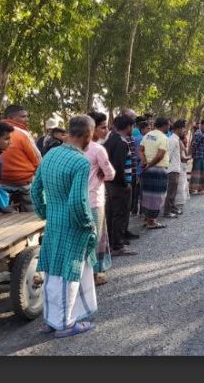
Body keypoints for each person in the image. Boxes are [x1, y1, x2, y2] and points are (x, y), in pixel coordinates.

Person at [31, 115, 98, 338]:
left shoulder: (51, 154)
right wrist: (89, 224)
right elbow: (78, 202)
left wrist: (46, 213)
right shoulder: (80, 162)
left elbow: (35, 189)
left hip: (54, 221)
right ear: (88, 135)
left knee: (52, 271)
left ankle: (51, 321)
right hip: (73, 225)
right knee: (71, 271)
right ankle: (66, 324)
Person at [86, 112, 116, 286]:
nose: (106, 130)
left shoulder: (69, 148)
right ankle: (96, 273)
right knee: (97, 237)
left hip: (75, 200)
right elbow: (110, 174)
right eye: (103, 127)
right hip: (94, 200)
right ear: (92, 129)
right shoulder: (98, 149)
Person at [103, 114, 139, 256]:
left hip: (110, 183)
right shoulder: (121, 143)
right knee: (120, 214)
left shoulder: (110, 140)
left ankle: (112, 243)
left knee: (112, 213)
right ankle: (117, 245)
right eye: (132, 126)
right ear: (128, 126)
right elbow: (118, 165)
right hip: (119, 185)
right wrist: (125, 183)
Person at [0, 104, 41, 212]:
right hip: (23, 181)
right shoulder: (22, 133)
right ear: (11, 118)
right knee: (35, 212)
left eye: (27, 116)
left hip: (0, 180)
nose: (26, 119)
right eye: (23, 117)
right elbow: (37, 158)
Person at [139, 117, 170, 229]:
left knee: (147, 195)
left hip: (147, 170)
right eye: (168, 125)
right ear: (164, 125)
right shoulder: (164, 138)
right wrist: (150, 164)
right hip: (158, 170)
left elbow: (140, 150)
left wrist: (144, 162)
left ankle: (147, 219)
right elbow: (160, 155)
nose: (169, 127)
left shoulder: (147, 135)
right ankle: (152, 222)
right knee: (157, 196)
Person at [163, 119, 186, 218]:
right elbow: (168, 155)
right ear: (179, 129)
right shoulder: (172, 140)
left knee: (173, 191)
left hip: (176, 168)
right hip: (172, 169)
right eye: (183, 129)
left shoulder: (175, 139)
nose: (184, 131)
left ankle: (172, 208)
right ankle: (167, 212)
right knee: (171, 192)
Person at [131, 119, 150, 217]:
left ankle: (134, 210)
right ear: (142, 129)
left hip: (135, 168)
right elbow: (140, 154)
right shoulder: (142, 139)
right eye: (148, 128)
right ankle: (142, 211)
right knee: (142, 191)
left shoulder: (135, 137)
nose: (149, 130)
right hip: (141, 168)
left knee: (136, 190)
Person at [189, 119, 204, 195]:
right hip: (199, 156)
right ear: (201, 125)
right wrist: (192, 155)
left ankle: (200, 189)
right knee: (197, 172)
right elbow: (194, 145)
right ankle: (193, 189)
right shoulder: (199, 133)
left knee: (203, 172)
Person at [175, 128, 191, 215]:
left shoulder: (179, 141)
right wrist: (190, 157)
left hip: (182, 166)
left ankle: (178, 205)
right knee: (180, 186)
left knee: (182, 185)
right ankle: (177, 206)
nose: (184, 133)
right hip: (180, 165)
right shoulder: (178, 141)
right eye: (183, 131)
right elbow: (182, 157)